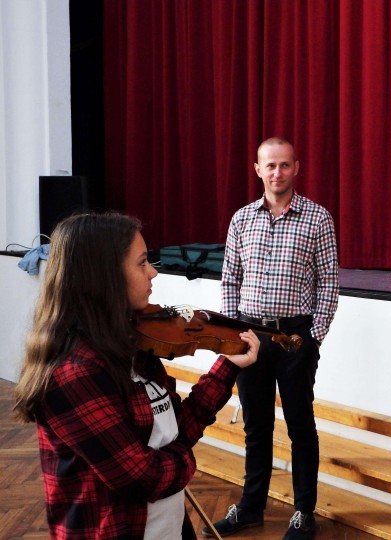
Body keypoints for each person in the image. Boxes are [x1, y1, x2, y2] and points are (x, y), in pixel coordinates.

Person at [13, 212, 260, 540]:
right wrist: (186, 461)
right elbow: (143, 479)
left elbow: (176, 429)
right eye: (142, 263)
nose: (153, 272)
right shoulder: (74, 374)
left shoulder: (134, 346)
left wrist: (228, 365)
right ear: (103, 276)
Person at [209, 137, 339, 539]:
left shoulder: (317, 218)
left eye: (284, 165)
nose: (277, 172)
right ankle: (251, 508)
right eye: (270, 165)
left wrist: (313, 337)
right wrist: (232, 334)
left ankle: (304, 512)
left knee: (300, 425)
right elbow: (230, 279)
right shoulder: (241, 219)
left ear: (296, 168)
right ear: (258, 170)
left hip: (295, 339)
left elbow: (329, 283)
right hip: (250, 336)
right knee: (256, 425)